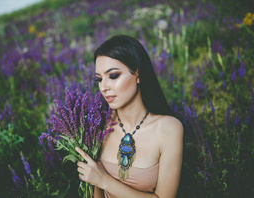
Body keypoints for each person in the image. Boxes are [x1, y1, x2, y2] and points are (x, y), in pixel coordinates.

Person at [75, 35, 183, 198]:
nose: (104, 87)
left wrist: (104, 181)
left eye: (113, 76)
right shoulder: (98, 126)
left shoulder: (168, 129)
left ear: (138, 74)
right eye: (99, 79)